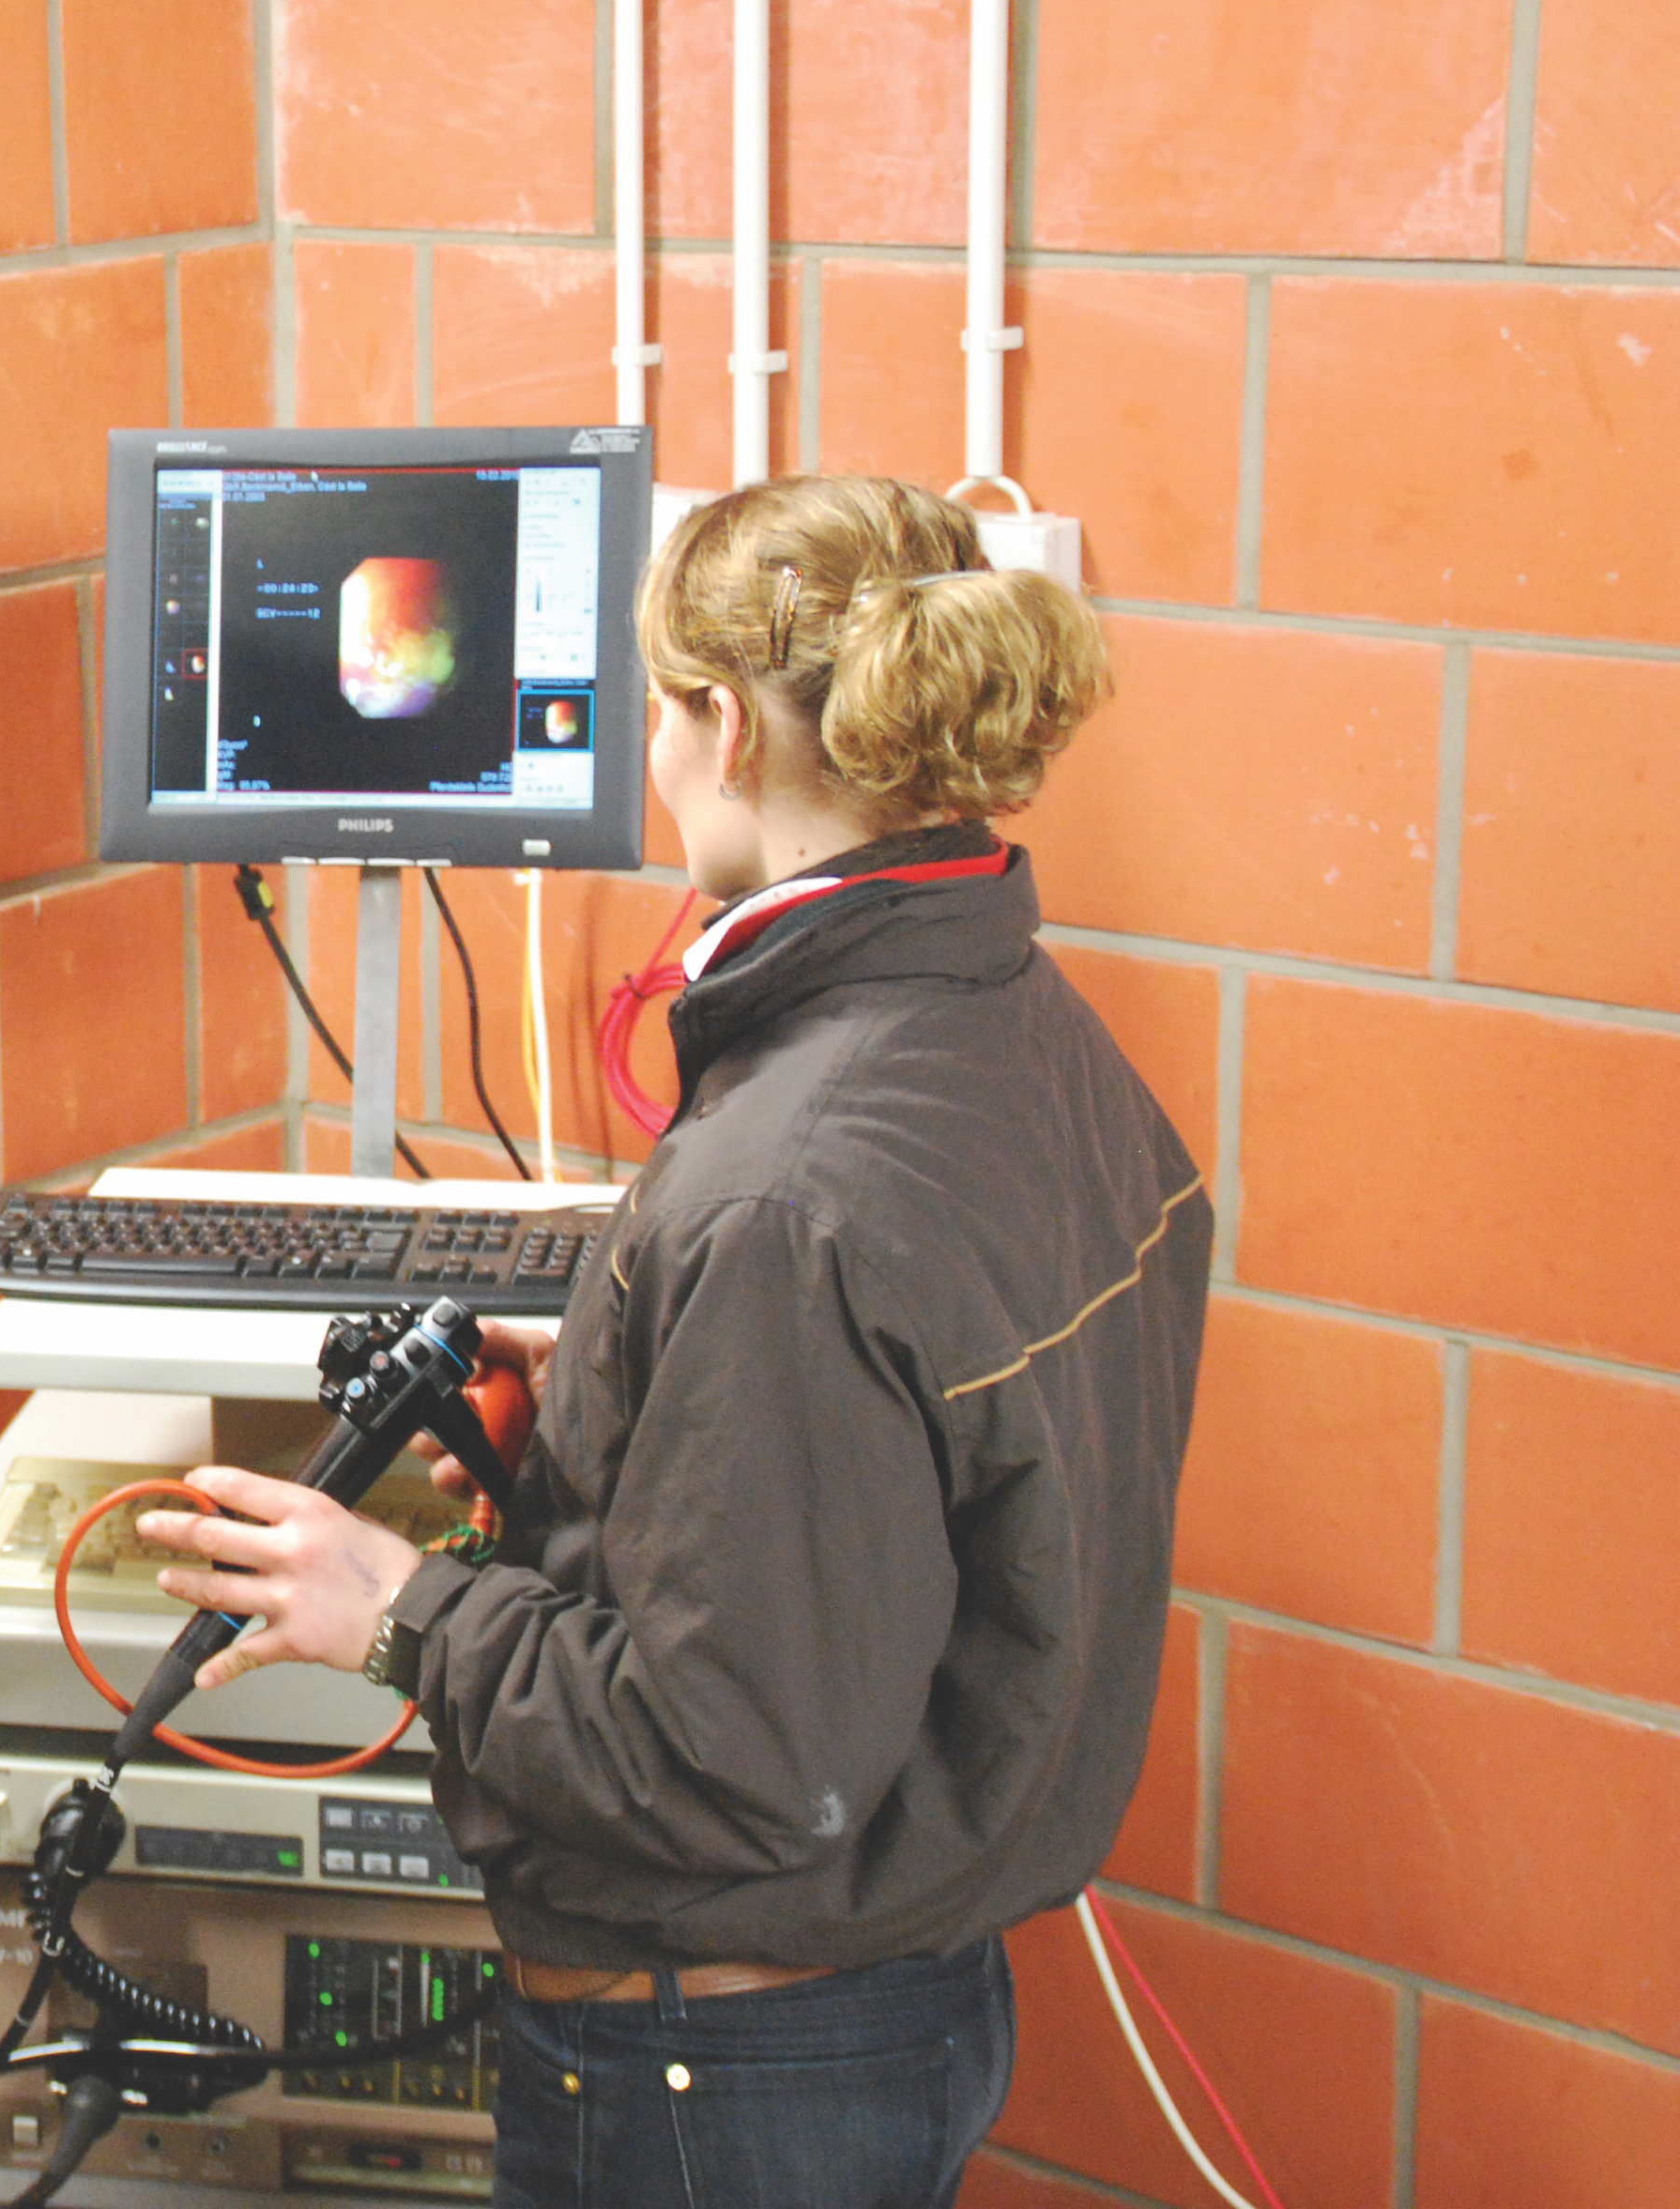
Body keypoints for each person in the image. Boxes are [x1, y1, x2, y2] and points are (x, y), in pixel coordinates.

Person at [131, 475, 1205, 2209]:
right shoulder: (1026, 1039)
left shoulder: (783, 1187)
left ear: (715, 722)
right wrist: (608, 1416)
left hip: (729, 2067)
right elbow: (912, 1488)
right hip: (902, 1995)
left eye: (653, 707)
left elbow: (725, 1758)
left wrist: (395, 1607)